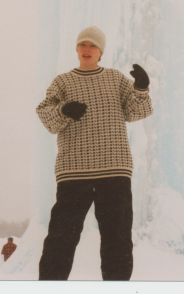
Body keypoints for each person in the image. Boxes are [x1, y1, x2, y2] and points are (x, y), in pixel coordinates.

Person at [36, 26, 153, 281]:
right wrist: (64, 110)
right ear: (77, 50)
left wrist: (141, 89)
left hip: (115, 169)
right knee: (61, 237)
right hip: (73, 170)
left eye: (92, 46)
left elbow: (137, 112)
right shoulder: (62, 82)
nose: (87, 49)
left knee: (117, 238)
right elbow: (47, 117)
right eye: (82, 45)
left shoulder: (115, 78)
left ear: (101, 52)